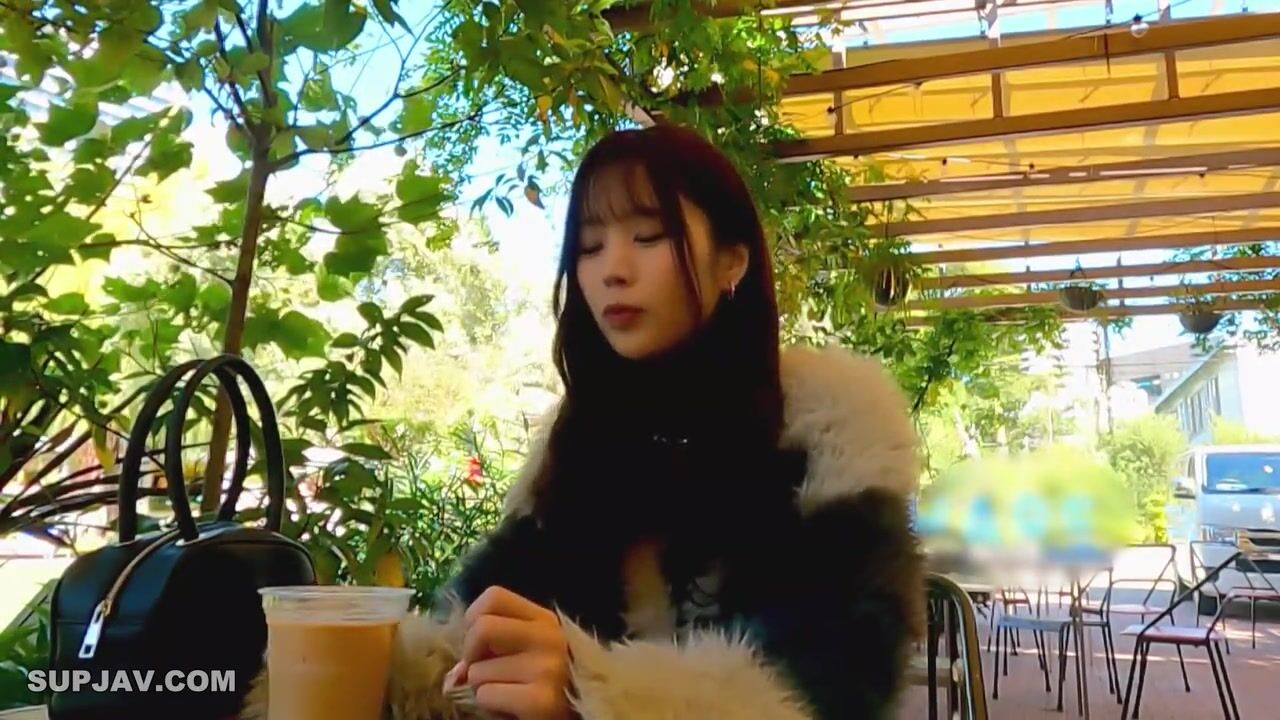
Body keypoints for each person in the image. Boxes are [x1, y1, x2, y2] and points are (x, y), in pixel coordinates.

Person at [250, 124, 924, 720]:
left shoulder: (826, 437)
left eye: (648, 236)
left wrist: (588, 693)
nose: (612, 271)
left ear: (732, 261)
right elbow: (461, 642)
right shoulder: (576, 449)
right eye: (590, 246)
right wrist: (354, 666)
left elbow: (835, 688)